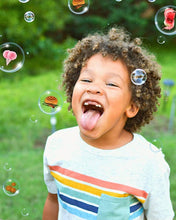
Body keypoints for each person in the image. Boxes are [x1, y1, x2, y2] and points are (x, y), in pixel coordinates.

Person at [42, 27, 174, 220]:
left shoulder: (149, 164)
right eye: (87, 79)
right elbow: (53, 201)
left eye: (111, 84)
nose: (94, 88)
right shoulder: (57, 145)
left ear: (132, 106)